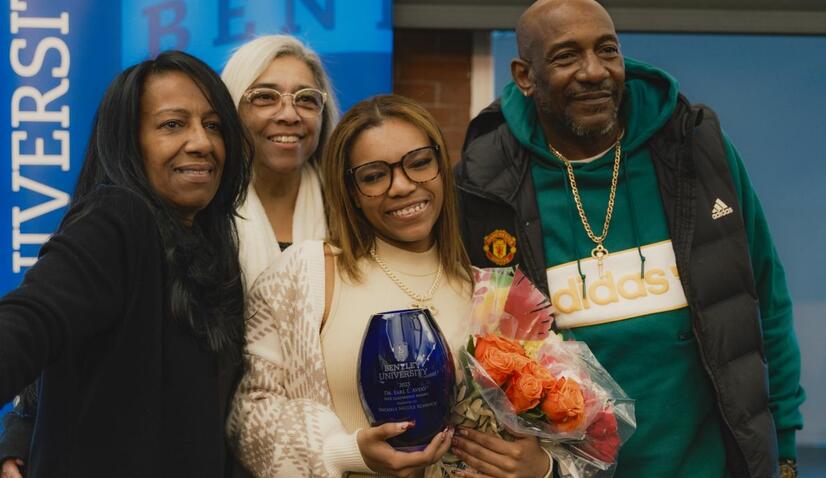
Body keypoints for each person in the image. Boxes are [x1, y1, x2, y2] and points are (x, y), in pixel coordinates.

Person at [455, 1, 805, 477]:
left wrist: (782, 446)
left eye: (607, 50)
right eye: (566, 57)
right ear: (525, 75)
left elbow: (765, 297)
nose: (593, 72)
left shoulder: (696, 148)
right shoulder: (487, 185)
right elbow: (479, 351)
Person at [226, 95, 553, 478]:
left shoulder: (490, 292)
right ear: (350, 192)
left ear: (441, 169)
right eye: (374, 175)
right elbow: (249, 414)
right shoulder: (304, 274)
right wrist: (345, 453)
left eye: (419, 164)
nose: (401, 186)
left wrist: (542, 467)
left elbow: (542, 416)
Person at [0, 50, 251, 477]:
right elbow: (32, 320)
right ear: (128, 143)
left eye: (213, 125)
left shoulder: (212, 245)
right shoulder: (117, 216)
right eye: (173, 125)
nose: (202, 143)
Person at [221, 35, 339, 289]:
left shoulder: (348, 209)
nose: (289, 114)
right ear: (231, 109)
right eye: (265, 96)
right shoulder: (206, 213)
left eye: (306, 98)